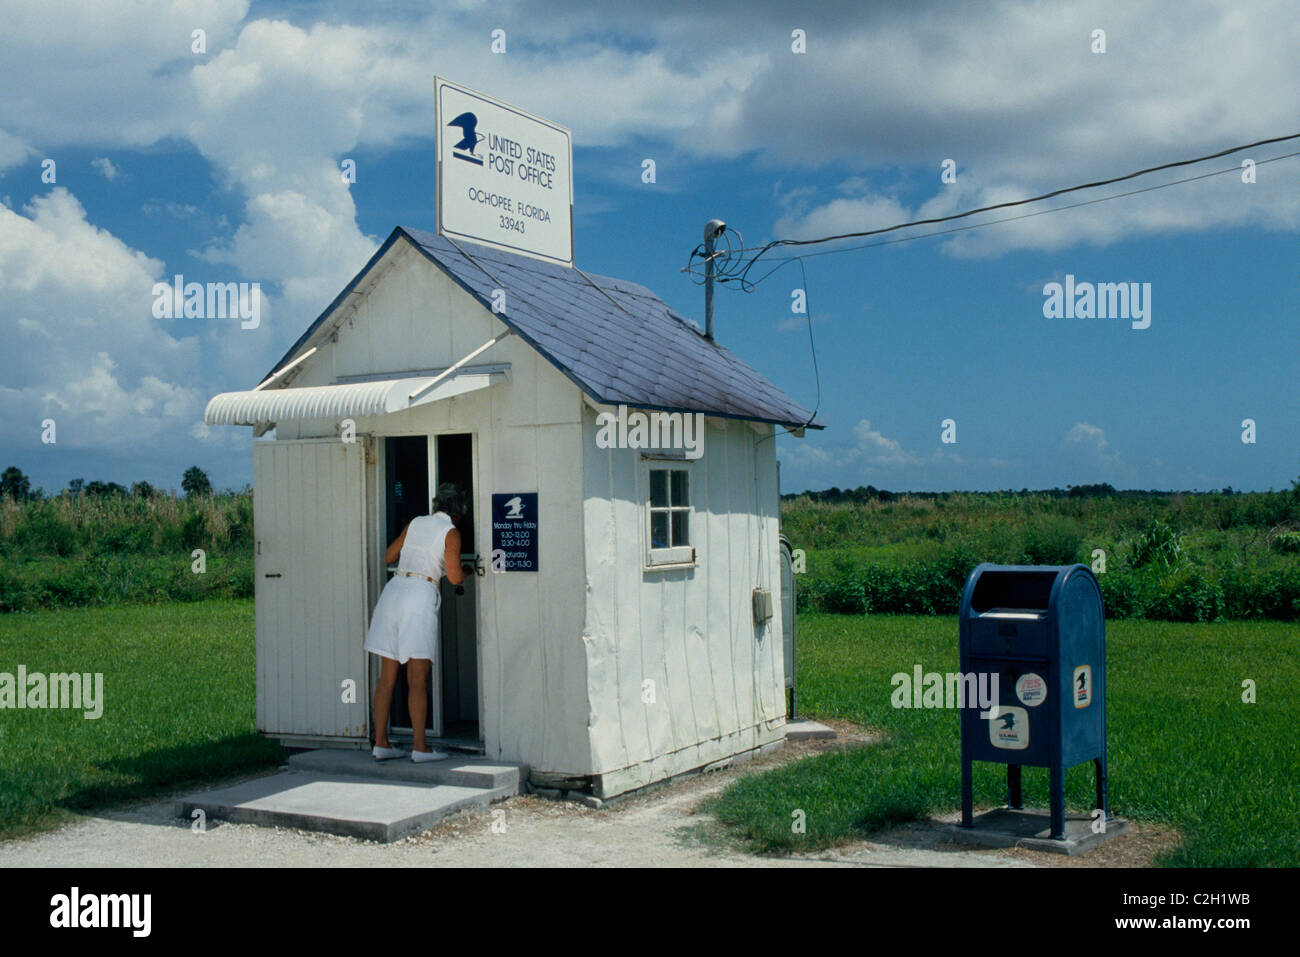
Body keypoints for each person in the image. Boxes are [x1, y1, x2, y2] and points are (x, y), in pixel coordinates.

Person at [364, 482, 471, 762]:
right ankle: (420, 748)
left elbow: (389, 556)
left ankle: (382, 743)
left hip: (394, 591)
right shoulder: (451, 532)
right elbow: (456, 576)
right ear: (458, 512)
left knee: (386, 677)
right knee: (417, 678)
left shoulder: (415, 523)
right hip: (420, 595)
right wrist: (468, 570)